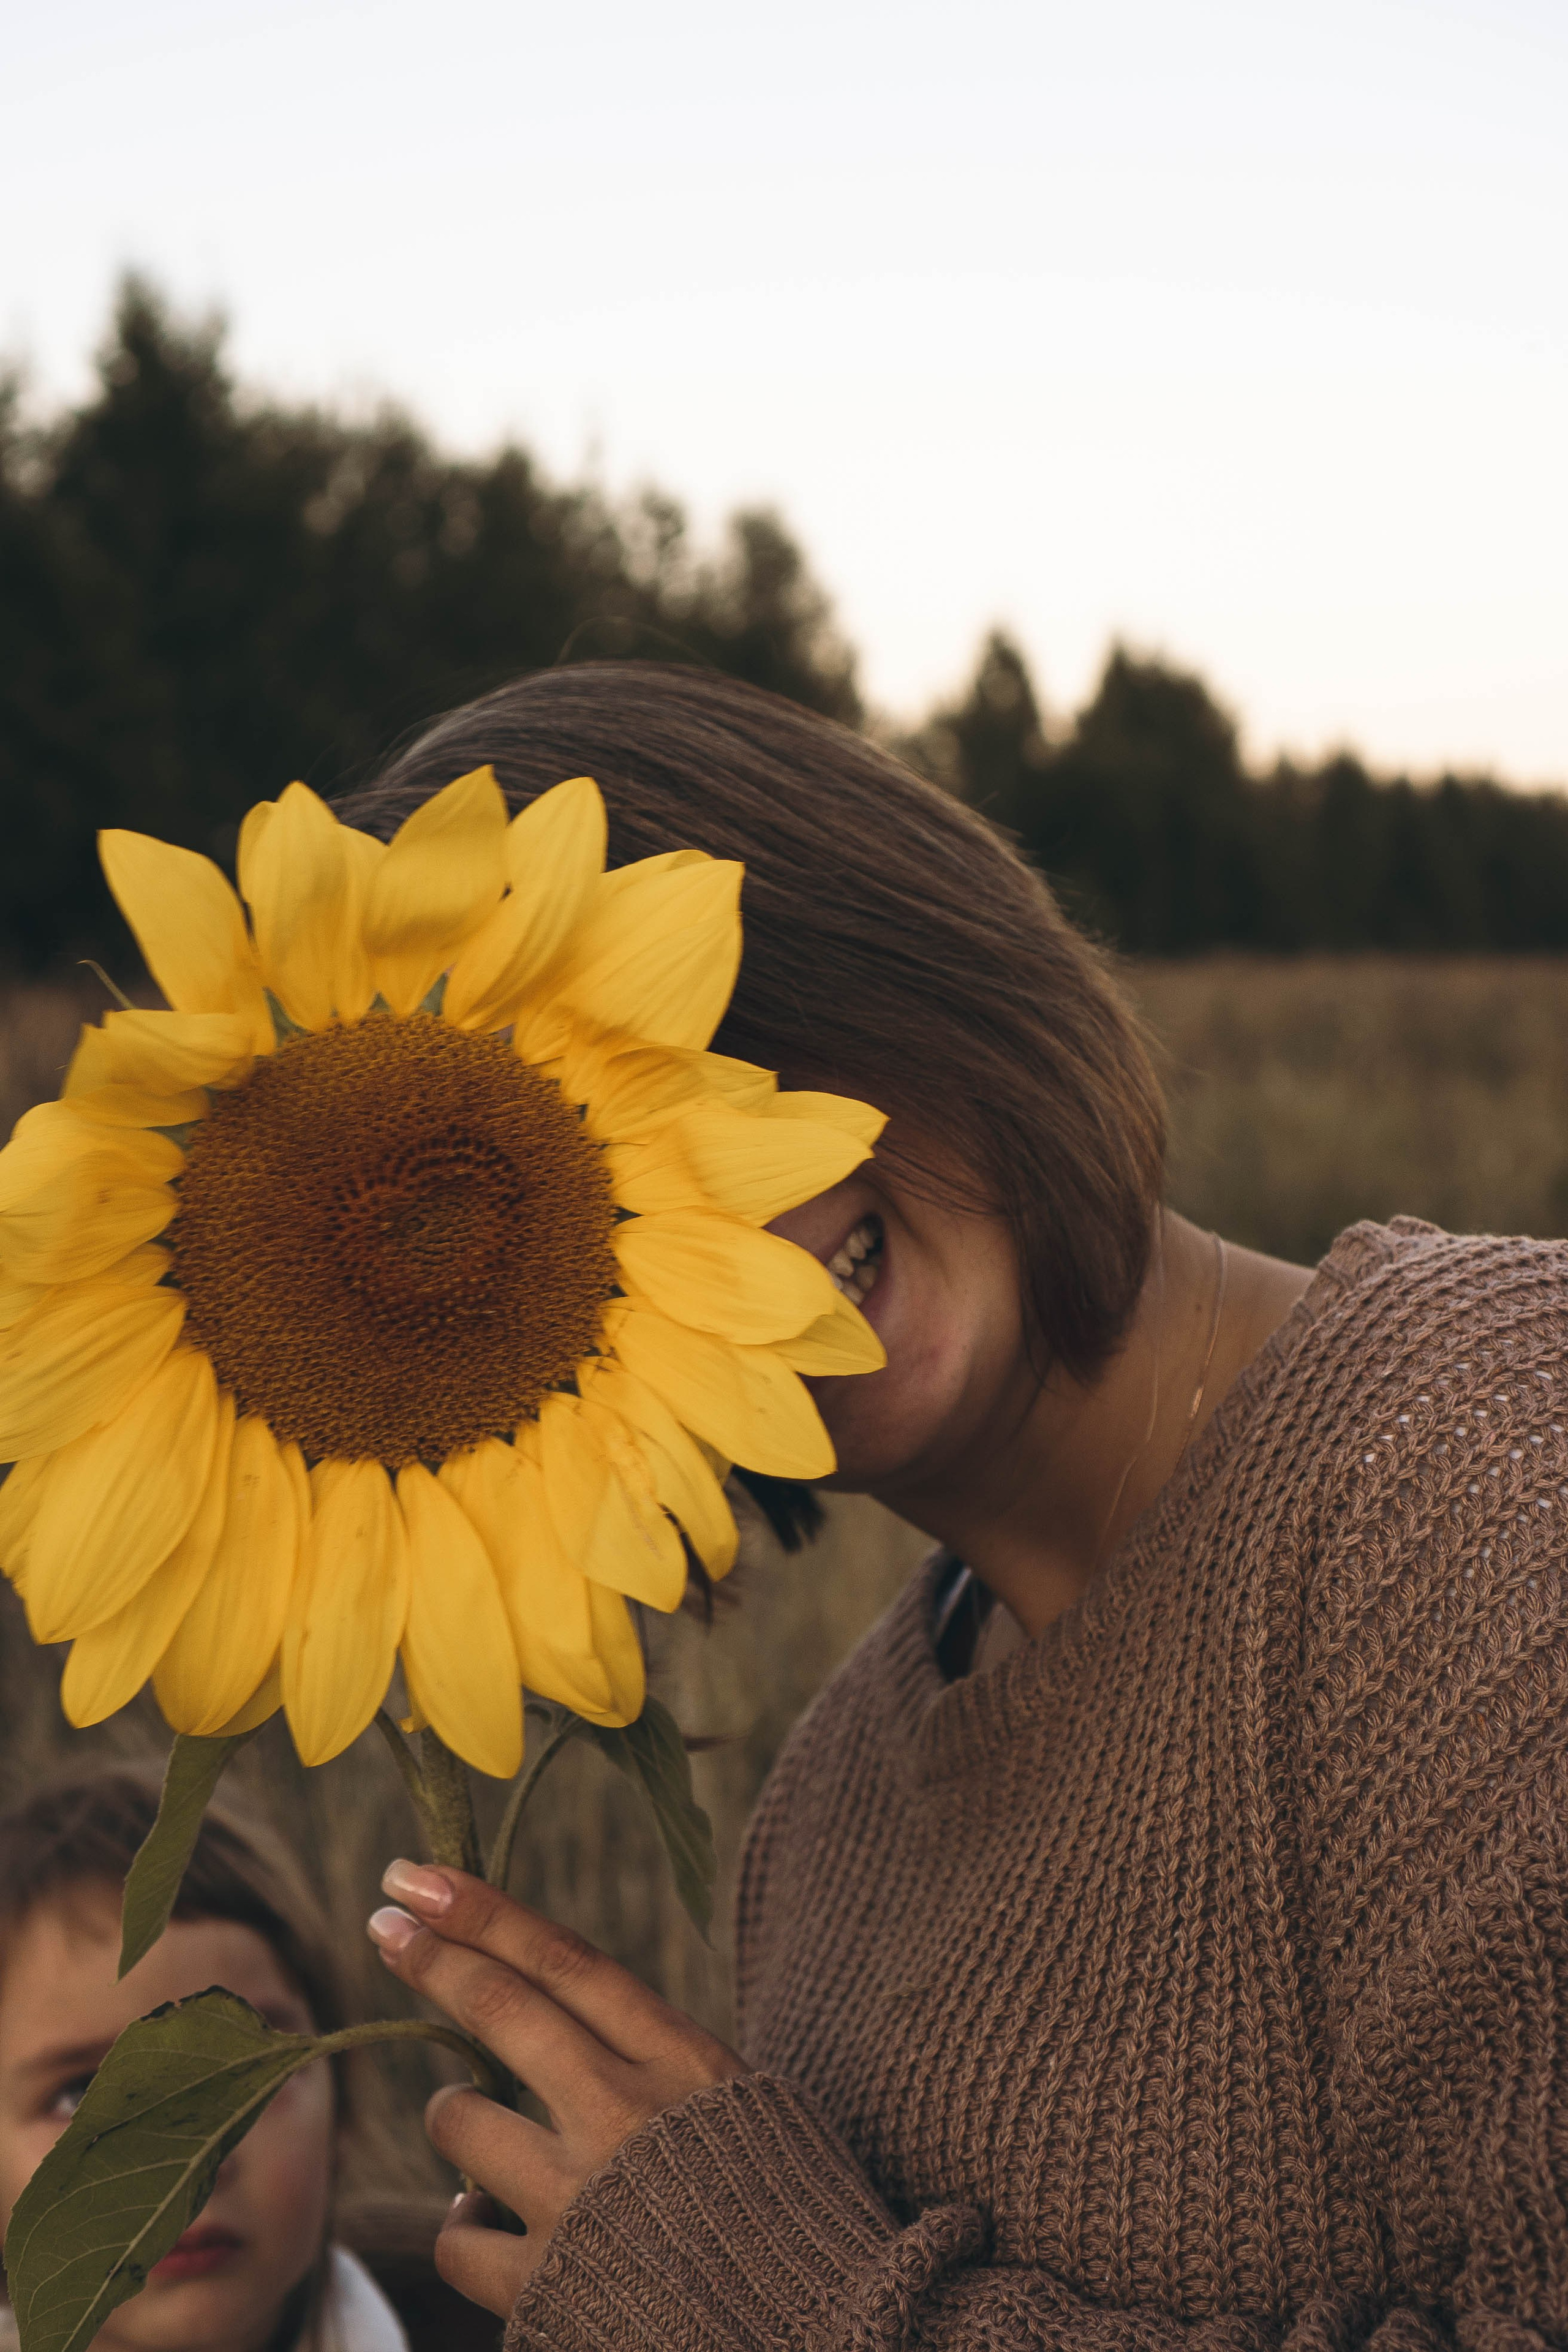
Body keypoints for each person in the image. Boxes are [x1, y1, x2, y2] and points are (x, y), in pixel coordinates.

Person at [341, 663, 1567, 2351]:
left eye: (724, 1080)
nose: (748, 1231)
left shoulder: (1488, 1466)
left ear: (886, 952)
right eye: (588, 1216)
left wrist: (781, 2312)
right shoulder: (825, 1819)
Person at [0, 1770, 472, 2352]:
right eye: (80, 2094)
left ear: (341, 2099)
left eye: (247, 2073)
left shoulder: (508, 2324)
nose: (185, 2163)